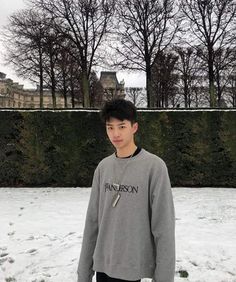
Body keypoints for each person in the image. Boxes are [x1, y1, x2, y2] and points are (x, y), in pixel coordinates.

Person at [77, 98, 175, 282]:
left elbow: (164, 228)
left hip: (132, 268)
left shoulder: (154, 167)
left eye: (121, 126)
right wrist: (84, 273)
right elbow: (92, 223)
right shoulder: (103, 168)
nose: (115, 133)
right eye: (110, 127)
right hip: (103, 267)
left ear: (134, 127)